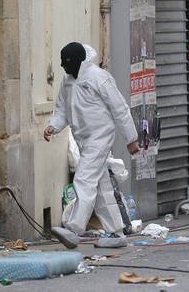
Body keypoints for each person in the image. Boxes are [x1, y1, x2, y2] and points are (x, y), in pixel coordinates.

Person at [44, 42, 140, 248]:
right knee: (100, 186)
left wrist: (131, 139)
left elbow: (120, 109)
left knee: (84, 180)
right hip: (82, 140)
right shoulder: (68, 81)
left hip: (100, 137)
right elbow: (62, 108)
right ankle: (116, 232)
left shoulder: (99, 78)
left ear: (78, 61)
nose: (63, 66)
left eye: (66, 62)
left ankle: (73, 229)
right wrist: (53, 126)